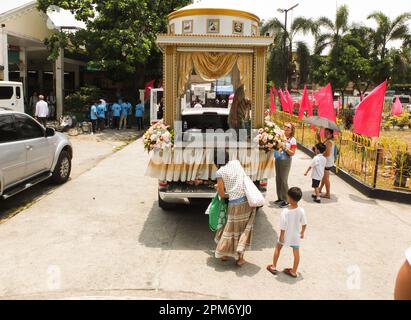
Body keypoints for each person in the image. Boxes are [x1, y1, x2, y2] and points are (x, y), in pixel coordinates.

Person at [214, 151, 256, 267]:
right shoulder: (236, 163)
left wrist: (217, 187)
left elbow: (222, 194)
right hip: (247, 201)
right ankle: (240, 258)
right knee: (242, 230)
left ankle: (224, 253)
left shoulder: (219, 172)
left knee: (229, 228)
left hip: (234, 204)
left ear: (216, 162)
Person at [267, 187, 307, 278]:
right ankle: (294, 271)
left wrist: (281, 236)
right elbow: (304, 223)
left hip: (285, 235)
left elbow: (283, 226)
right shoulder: (301, 210)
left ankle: (273, 266)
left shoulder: (285, 212)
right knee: (296, 252)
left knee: (278, 248)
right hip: (295, 236)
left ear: (289, 198)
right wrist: (302, 232)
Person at [272, 123, 297, 208]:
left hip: (286, 161)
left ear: (291, 130)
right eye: (285, 126)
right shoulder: (280, 136)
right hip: (278, 159)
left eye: (288, 127)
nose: (286, 128)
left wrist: (285, 147)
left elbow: (292, 153)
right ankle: (280, 198)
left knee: (284, 180)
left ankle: (286, 200)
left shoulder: (293, 140)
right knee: (278, 179)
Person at [316, 128, 335, 199]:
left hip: (327, 162)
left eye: (327, 133)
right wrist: (319, 139)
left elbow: (327, 153)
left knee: (326, 178)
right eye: (325, 132)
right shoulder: (328, 140)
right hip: (327, 161)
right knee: (324, 177)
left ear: (331, 133)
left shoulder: (329, 142)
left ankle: (327, 194)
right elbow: (322, 147)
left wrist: (319, 155)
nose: (325, 134)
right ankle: (320, 189)